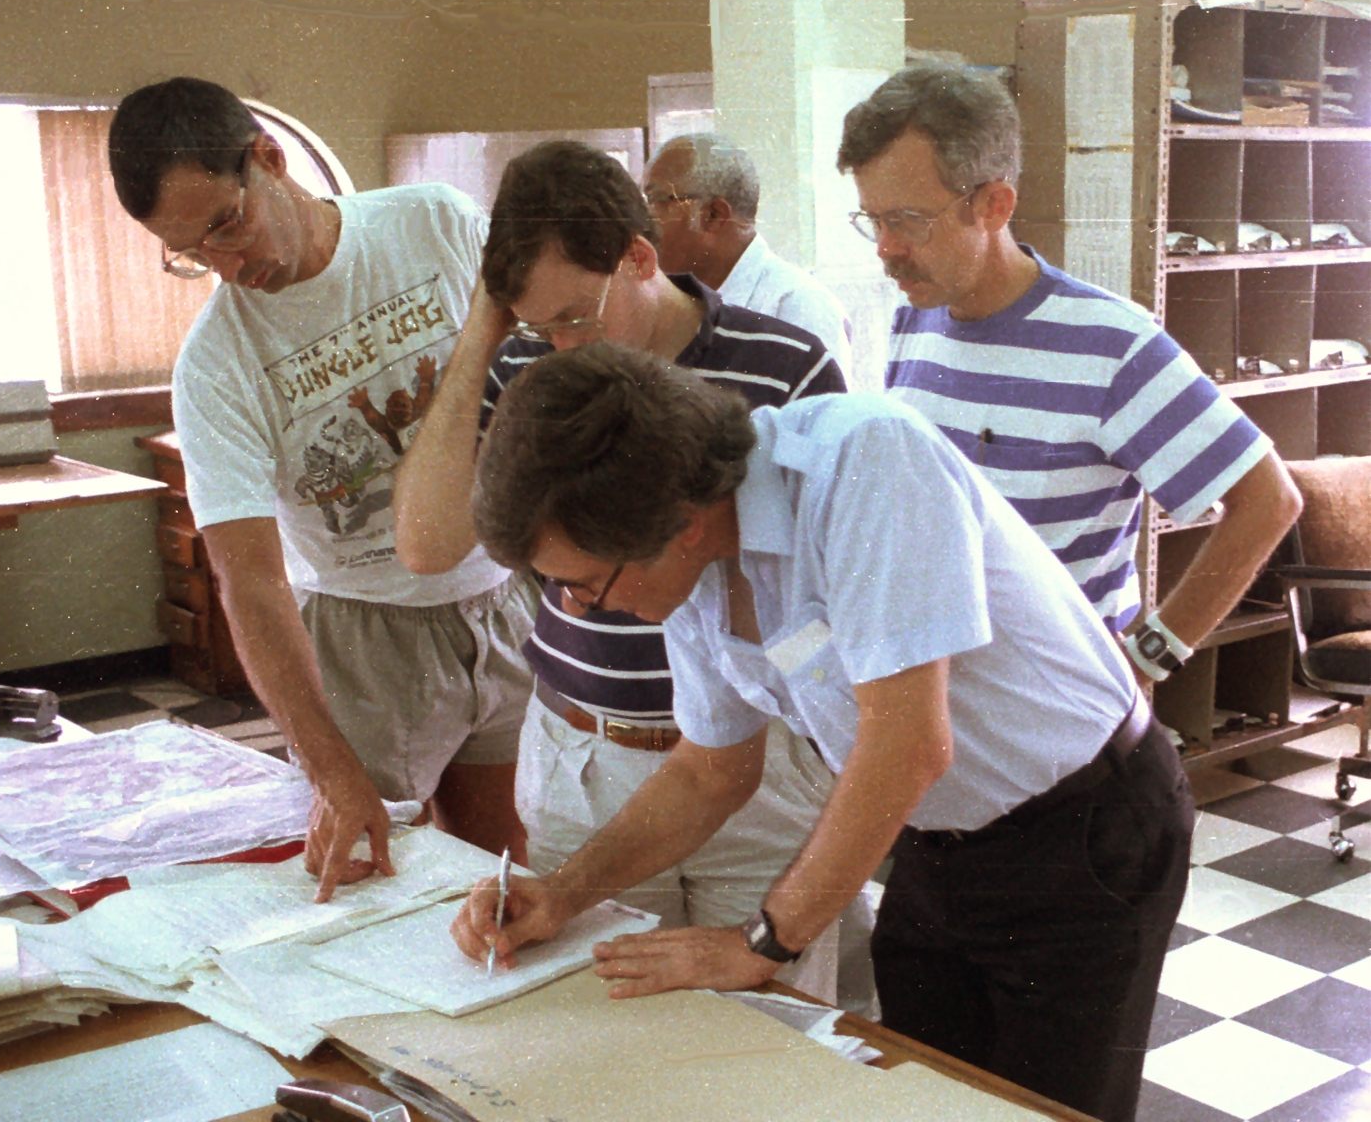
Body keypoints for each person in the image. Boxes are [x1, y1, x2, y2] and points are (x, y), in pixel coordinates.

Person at [450, 343, 1194, 1122]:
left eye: (580, 581)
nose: (572, 607)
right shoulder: (697, 573)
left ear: (680, 524)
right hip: (939, 839)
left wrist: (761, 942)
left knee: (1039, 1112)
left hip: (1083, 830)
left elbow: (907, 744)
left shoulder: (863, 460)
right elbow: (709, 772)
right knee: (929, 1099)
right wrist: (563, 894)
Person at [392, 139, 873, 1009]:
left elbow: (828, 599)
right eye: (543, 325)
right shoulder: (529, 367)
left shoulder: (785, 362)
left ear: (638, 257)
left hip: (753, 759)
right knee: (601, 1016)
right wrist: (483, 336)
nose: (564, 347)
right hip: (590, 751)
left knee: (771, 1028)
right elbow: (427, 545)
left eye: (577, 315)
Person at [106, 77, 536, 901]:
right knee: (372, 885)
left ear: (269, 159)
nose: (228, 269)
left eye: (228, 226)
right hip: (364, 638)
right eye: (191, 254)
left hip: (502, 597)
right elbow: (251, 580)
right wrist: (330, 766)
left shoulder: (434, 224)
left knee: (503, 872)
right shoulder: (217, 365)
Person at [837, 63, 1300, 685]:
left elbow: (1268, 500)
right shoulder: (915, 319)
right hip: (955, 703)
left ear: (994, 205)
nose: (885, 248)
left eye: (908, 221)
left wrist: (1148, 659)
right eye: (875, 220)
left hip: (1064, 720)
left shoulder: (1111, 344)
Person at [644, 132, 853, 375]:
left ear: (713, 215)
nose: (642, 219)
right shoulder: (672, 304)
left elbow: (820, 411)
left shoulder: (798, 307)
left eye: (654, 200)